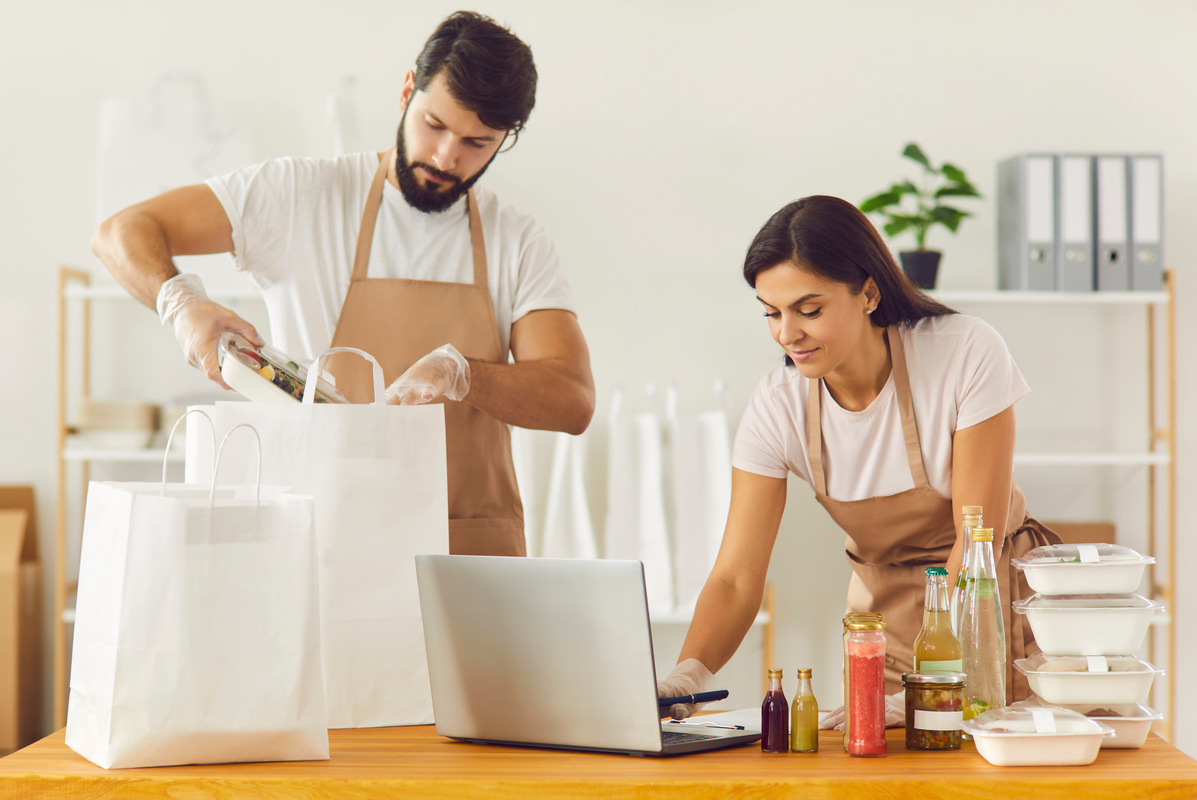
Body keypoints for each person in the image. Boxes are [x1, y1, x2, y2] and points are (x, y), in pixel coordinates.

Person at [91, 11, 595, 557]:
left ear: (506, 138)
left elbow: (572, 398)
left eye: (477, 142)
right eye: (435, 125)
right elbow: (123, 231)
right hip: (321, 547)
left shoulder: (517, 242)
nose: (448, 156)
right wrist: (181, 302)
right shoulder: (301, 197)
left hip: (464, 555)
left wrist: (463, 374)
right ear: (408, 91)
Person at [656, 195, 1057, 721]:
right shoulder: (779, 407)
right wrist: (687, 677)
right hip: (881, 626)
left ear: (869, 292)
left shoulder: (963, 352)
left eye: (809, 309)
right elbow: (735, 576)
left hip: (986, 603)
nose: (786, 333)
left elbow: (972, 540)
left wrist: (931, 680)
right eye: (771, 313)